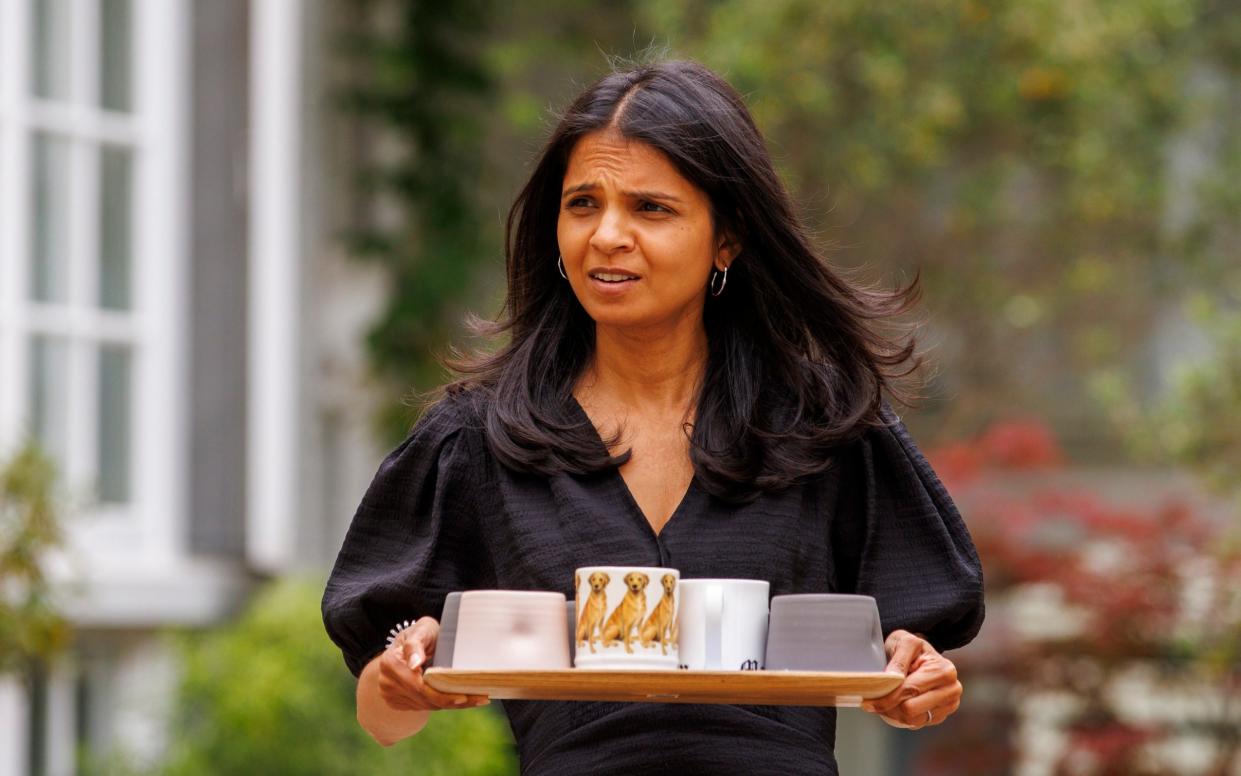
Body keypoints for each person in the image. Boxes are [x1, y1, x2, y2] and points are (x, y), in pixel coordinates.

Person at [322, 59, 984, 775]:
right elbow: (382, 719)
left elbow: (918, 688)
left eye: (650, 208)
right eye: (582, 204)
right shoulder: (477, 438)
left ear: (725, 237)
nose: (606, 235)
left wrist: (919, 682)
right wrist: (400, 676)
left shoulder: (824, 425)